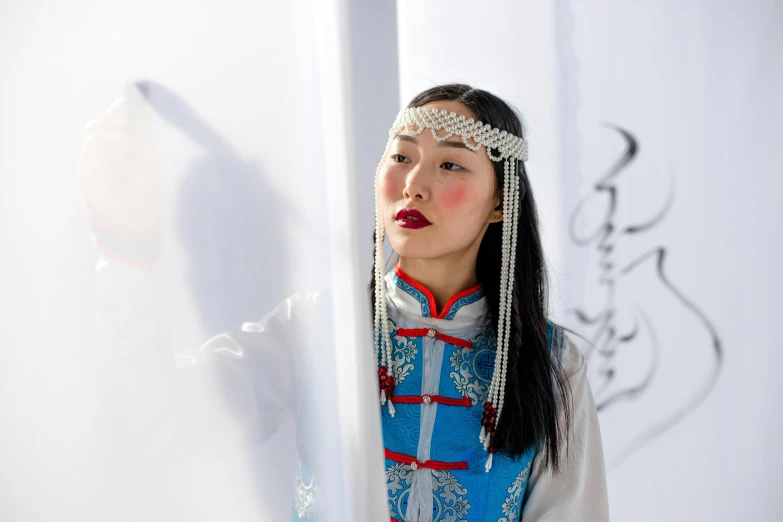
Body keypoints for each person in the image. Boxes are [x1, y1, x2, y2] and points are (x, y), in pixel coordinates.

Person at [83, 83, 608, 521]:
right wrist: (125, 250)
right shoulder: (322, 330)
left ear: (500, 202)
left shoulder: (551, 361)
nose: (415, 184)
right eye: (401, 157)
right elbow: (157, 421)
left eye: (450, 164)